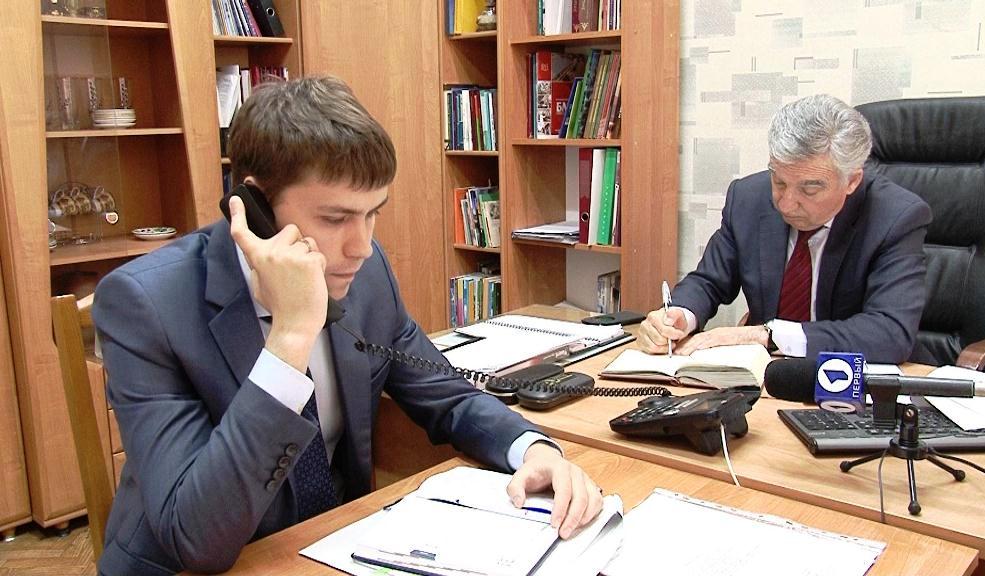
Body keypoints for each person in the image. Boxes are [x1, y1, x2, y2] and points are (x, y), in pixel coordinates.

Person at [93, 76, 603, 575]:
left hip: (332, 546)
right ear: (254, 208)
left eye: (372, 214)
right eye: (336, 219)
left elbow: (447, 394)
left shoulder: (366, 271)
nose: (361, 247)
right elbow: (197, 540)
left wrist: (533, 449)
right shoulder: (146, 305)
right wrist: (290, 337)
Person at [639, 94, 931, 364]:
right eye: (779, 181)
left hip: (849, 381)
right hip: (766, 378)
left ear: (852, 181)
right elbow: (709, 281)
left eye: (810, 188)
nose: (787, 204)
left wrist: (767, 336)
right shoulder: (748, 198)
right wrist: (679, 315)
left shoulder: (895, 218)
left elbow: (890, 333)